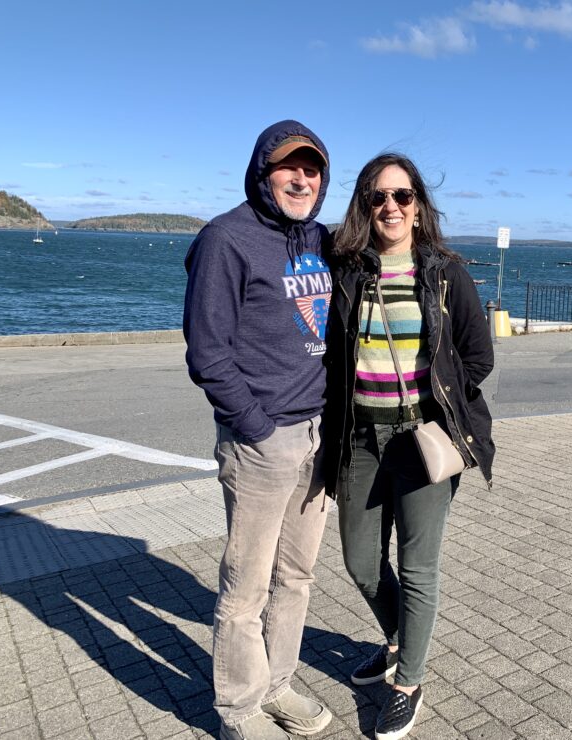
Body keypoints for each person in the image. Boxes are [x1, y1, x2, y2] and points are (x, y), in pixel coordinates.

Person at [324, 153, 495, 739]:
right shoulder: (349, 269)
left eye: (401, 196)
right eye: (378, 197)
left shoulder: (446, 273)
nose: (390, 207)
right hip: (360, 437)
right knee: (360, 561)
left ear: (418, 204)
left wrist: (441, 404)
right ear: (364, 207)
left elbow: (479, 355)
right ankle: (399, 639)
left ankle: (409, 680)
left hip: (423, 440)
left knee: (417, 566)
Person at [183, 120, 334, 740]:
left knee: (295, 577)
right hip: (262, 441)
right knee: (245, 588)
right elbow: (207, 353)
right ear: (262, 171)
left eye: (314, 169)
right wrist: (254, 425)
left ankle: (278, 685)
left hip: (318, 436)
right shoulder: (225, 239)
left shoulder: (322, 239)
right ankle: (239, 711)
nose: (302, 179)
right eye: (288, 167)